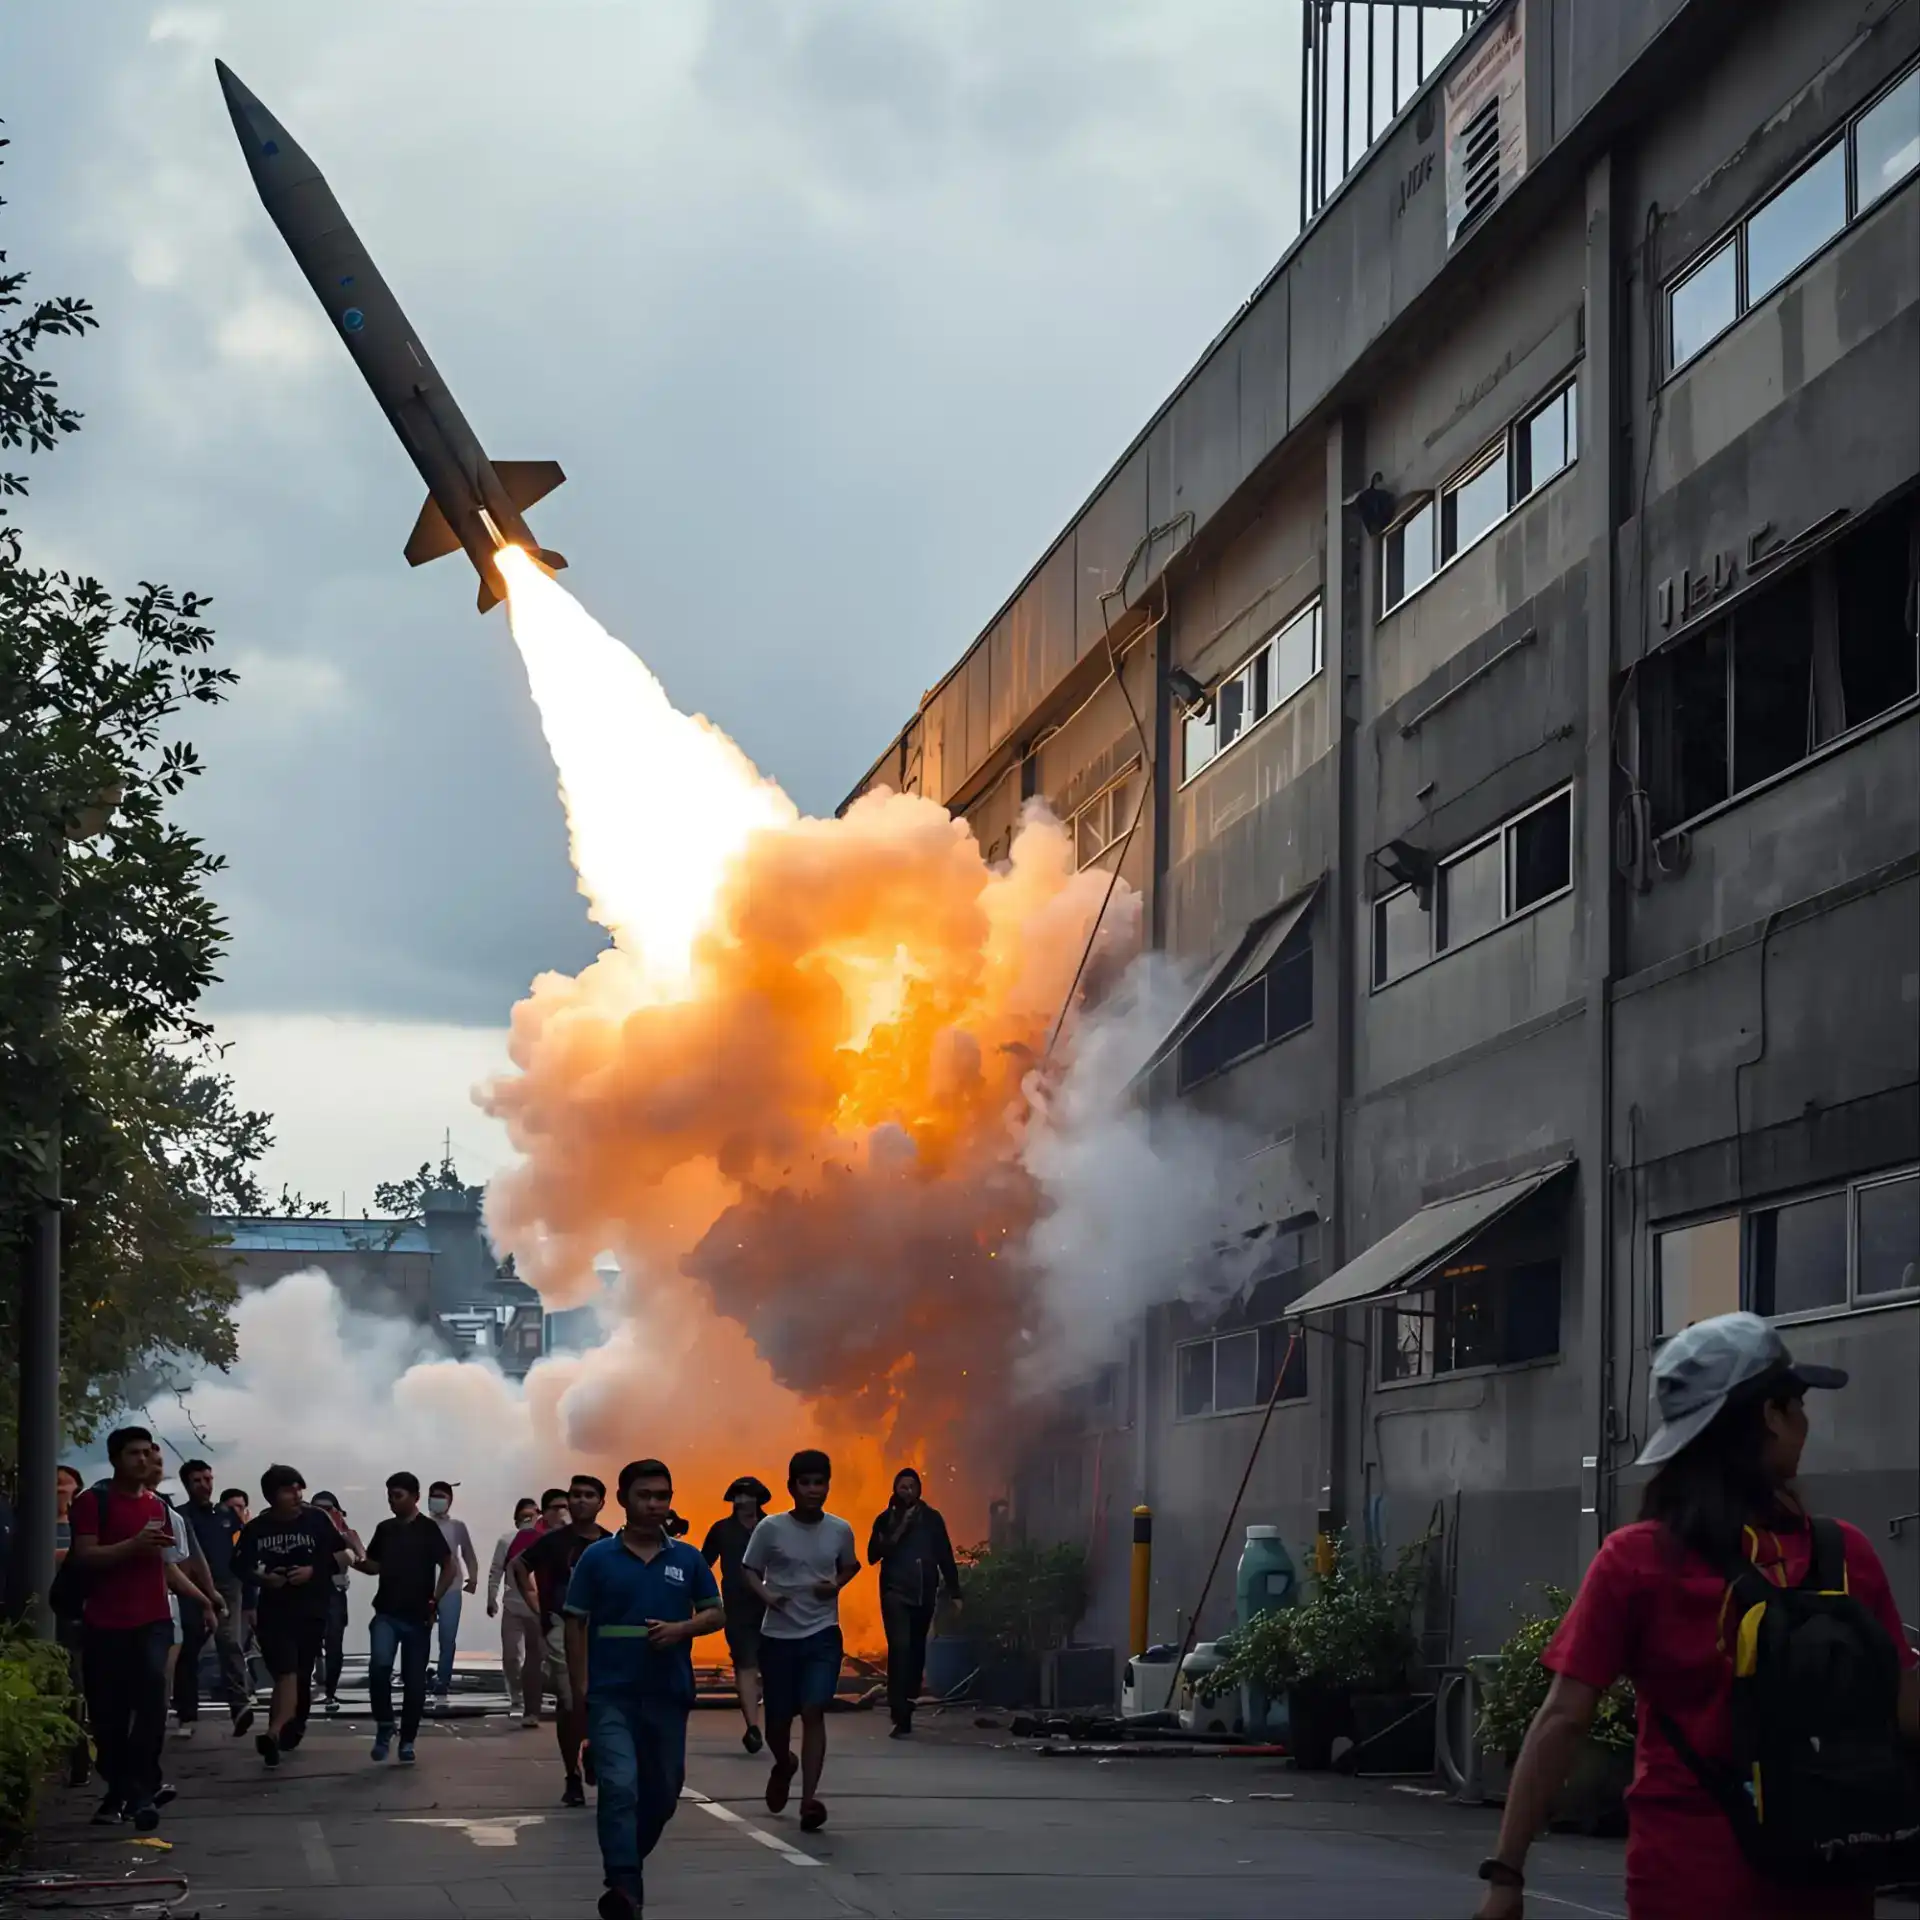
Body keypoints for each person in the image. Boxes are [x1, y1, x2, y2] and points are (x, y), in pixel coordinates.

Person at [1475, 1314, 1920, 1920]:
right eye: (1797, 1405)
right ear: (1770, 1416)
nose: (1805, 1422)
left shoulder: (1636, 1559)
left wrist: (1507, 1874)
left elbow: (1563, 1719)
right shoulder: (1844, 1555)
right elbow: (1906, 1710)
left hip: (1685, 1881)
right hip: (1830, 1879)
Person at [565, 1458, 724, 1920]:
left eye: (663, 1496)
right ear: (622, 1499)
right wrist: (580, 1686)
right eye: (645, 1496)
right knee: (620, 1788)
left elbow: (716, 1613)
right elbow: (575, 1621)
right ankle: (624, 1886)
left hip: (668, 1694)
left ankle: (627, 1866)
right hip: (612, 1695)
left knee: (664, 1794)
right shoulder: (597, 1558)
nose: (655, 1504)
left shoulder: (688, 1559)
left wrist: (681, 1629)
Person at [739, 1449, 860, 1833]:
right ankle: (784, 1762)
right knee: (777, 1722)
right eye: (805, 1483)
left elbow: (851, 1565)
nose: (813, 1490)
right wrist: (767, 1596)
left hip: (822, 1635)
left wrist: (835, 1584)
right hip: (778, 1637)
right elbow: (749, 1569)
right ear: (791, 1487)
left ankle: (809, 1800)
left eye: (819, 1483)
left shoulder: (840, 1529)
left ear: (828, 1486)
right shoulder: (770, 1528)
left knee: (813, 1709)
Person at [67, 1427, 177, 1829]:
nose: (143, 1460)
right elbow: (85, 1555)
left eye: (148, 1452)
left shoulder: (158, 1505)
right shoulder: (92, 1502)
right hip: (105, 1621)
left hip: (153, 1620)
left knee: (151, 1704)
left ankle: (143, 1791)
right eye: (134, 1453)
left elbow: (167, 1563)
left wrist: (205, 1599)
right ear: (115, 1459)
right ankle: (122, 1790)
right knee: (108, 1717)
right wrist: (133, 1544)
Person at [230, 1465, 351, 1769]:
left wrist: (313, 1571)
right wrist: (264, 1579)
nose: (296, 1495)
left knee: (301, 1672)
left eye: (299, 1489)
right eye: (288, 1490)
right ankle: (274, 1732)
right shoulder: (257, 1528)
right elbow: (239, 1566)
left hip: (311, 1608)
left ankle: (290, 1728)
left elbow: (344, 1555)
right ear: (272, 1496)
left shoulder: (316, 1520)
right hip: (275, 1610)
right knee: (286, 1671)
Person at [514, 1473, 610, 1806]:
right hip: (562, 1625)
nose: (581, 1500)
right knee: (570, 1699)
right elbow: (519, 1566)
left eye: (589, 1495)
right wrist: (535, 1603)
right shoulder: (553, 1542)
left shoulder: (610, 1543)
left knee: (600, 1698)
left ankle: (593, 1749)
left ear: (601, 1502)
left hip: (602, 1628)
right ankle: (572, 1774)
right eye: (576, 1494)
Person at [356, 1470, 457, 1766]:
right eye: (389, 1496)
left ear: (415, 1497)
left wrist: (435, 1598)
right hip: (386, 1612)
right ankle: (385, 1724)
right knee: (379, 1666)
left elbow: (449, 1565)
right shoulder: (385, 1529)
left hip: (417, 1616)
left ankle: (408, 1740)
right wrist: (352, 1558)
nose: (392, 1501)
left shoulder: (427, 1529)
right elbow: (373, 1566)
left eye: (397, 1496)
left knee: (414, 1681)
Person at [866, 1467, 963, 1737]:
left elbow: (945, 1555)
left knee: (916, 1650)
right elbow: (872, 1555)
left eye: (912, 1486)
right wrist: (899, 1528)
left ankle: (907, 1703)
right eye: (902, 1486)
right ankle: (898, 1711)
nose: (907, 1491)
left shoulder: (932, 1519)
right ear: (895, 1489)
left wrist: (955, 1592)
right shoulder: (885, 1519)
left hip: (923, 1593)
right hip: (894, 1593)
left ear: (919, 1490)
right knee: (900, 1648)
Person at [175, 1461, 254, 1737]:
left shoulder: (226, 1514)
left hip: (228, 1585)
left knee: (229, 1642)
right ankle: (186, 1714)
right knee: (190, 1648)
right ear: (187, 1484)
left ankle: (240, 1704)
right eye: (197, 1480)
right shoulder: (180, 1516)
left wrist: (250, 1599)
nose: (205, 1485)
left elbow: (243, 1552)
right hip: (191, 1585)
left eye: (208, 1479)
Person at [701, 1475, 771, 1753]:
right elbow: (702, 1565)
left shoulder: (774, 1528)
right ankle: (753, 1727)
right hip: (737, 1606)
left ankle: (773, 1721)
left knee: (775, 1665)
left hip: (776, 1606)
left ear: (758, 1499)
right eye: (738, 1496)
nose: (743, 1501)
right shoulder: (721, 1530)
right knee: (745, 1663)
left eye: (748, 1495)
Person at [488, 1495, 544, 1724]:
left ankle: (532, 1702)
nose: (528, 1519)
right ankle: (516, 1698)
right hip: (512, 1606)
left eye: (533, 1514)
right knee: (511, 1656)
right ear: (516, 1519)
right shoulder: (506, 1541)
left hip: (538, 1608)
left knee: (536, 1658)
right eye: (524, 1516)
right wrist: (491, 1598)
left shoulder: (545, 1540)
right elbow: (496, 1570)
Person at [54, 1466, 93, 1788]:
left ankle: (82, 1755)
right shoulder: (27, 1522)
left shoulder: (83, 1525)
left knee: (80, 1685)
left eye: (61, 1483)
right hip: (39, 1613)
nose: (55, 1489)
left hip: (80, 1614)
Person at [308, 1493, 363, 1715]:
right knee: (310, 1640)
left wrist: (345, 1536)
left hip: (334, 1592)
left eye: (327, 1509)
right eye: (317, 1508)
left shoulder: (345, 1533)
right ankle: (316, 1678)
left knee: (334, 1642)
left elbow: (361, 1556)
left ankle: (330, 1689)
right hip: (309, 1592)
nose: (322, 1513)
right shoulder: (306, 1531)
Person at [426, 1480, 479, 1707]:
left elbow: (468, 1553)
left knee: (447, 1638)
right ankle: (418, 1675)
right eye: (434, 1496)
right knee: (420, 1635)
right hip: (423, 1587)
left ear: (450, 1500)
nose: (438, 1500)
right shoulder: (420, 1524)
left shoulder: (457, 1526)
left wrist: (473, 1578)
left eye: (442, 1496)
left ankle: (443, 1679)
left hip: (452, 1587)